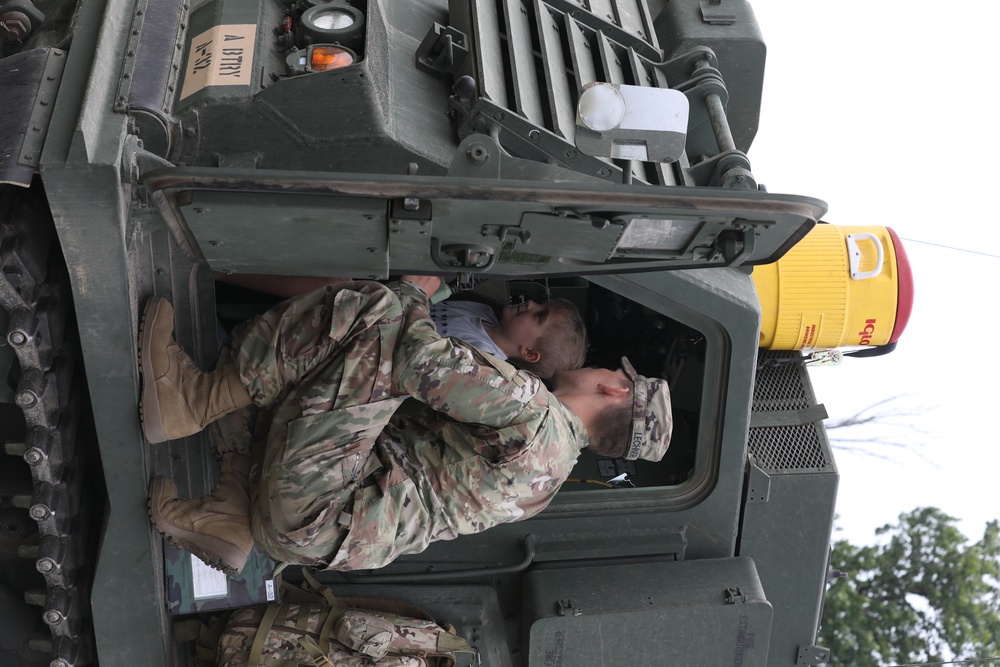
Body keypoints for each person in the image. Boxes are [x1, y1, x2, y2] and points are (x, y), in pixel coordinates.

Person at [139, 277, 672, 575]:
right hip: (321, 536)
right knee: (309, 371)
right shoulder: (549, 480)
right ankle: (232, 510)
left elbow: (418, 359)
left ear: (615, 389)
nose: (603, 367)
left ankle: (194, 398)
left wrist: (419, 290)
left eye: (611, 371)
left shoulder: (535, 411)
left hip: (319, 503)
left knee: (382, 312)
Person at [430, 296, 586, 378]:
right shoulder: (485, 311)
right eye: (542, 304)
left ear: (529, 353)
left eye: (539, 315)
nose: (531, 303)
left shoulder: (477, 357)